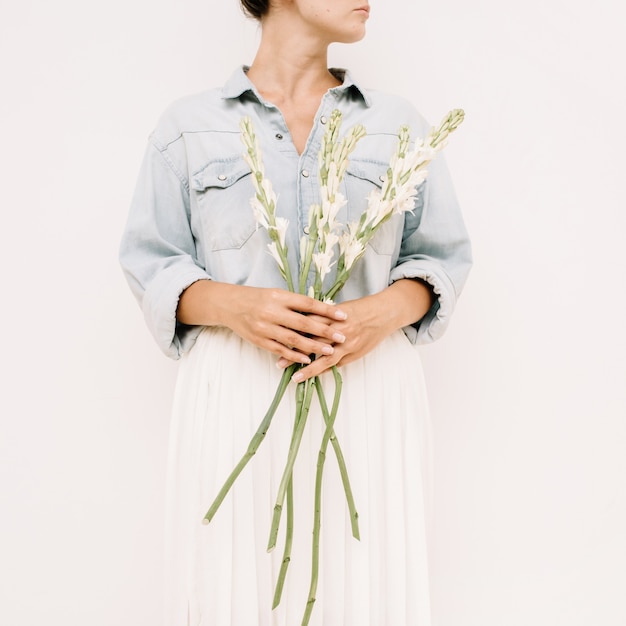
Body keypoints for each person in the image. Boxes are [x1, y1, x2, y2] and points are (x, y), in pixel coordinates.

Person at [119, 1, 472, 624]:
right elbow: (151, 261)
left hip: (366, 391)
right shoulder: (188, 128)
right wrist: (234, 305)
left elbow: (439, 258)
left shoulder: (399, 125)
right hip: (234, 396)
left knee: (364, 589)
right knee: (232, 586)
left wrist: (380, 313)